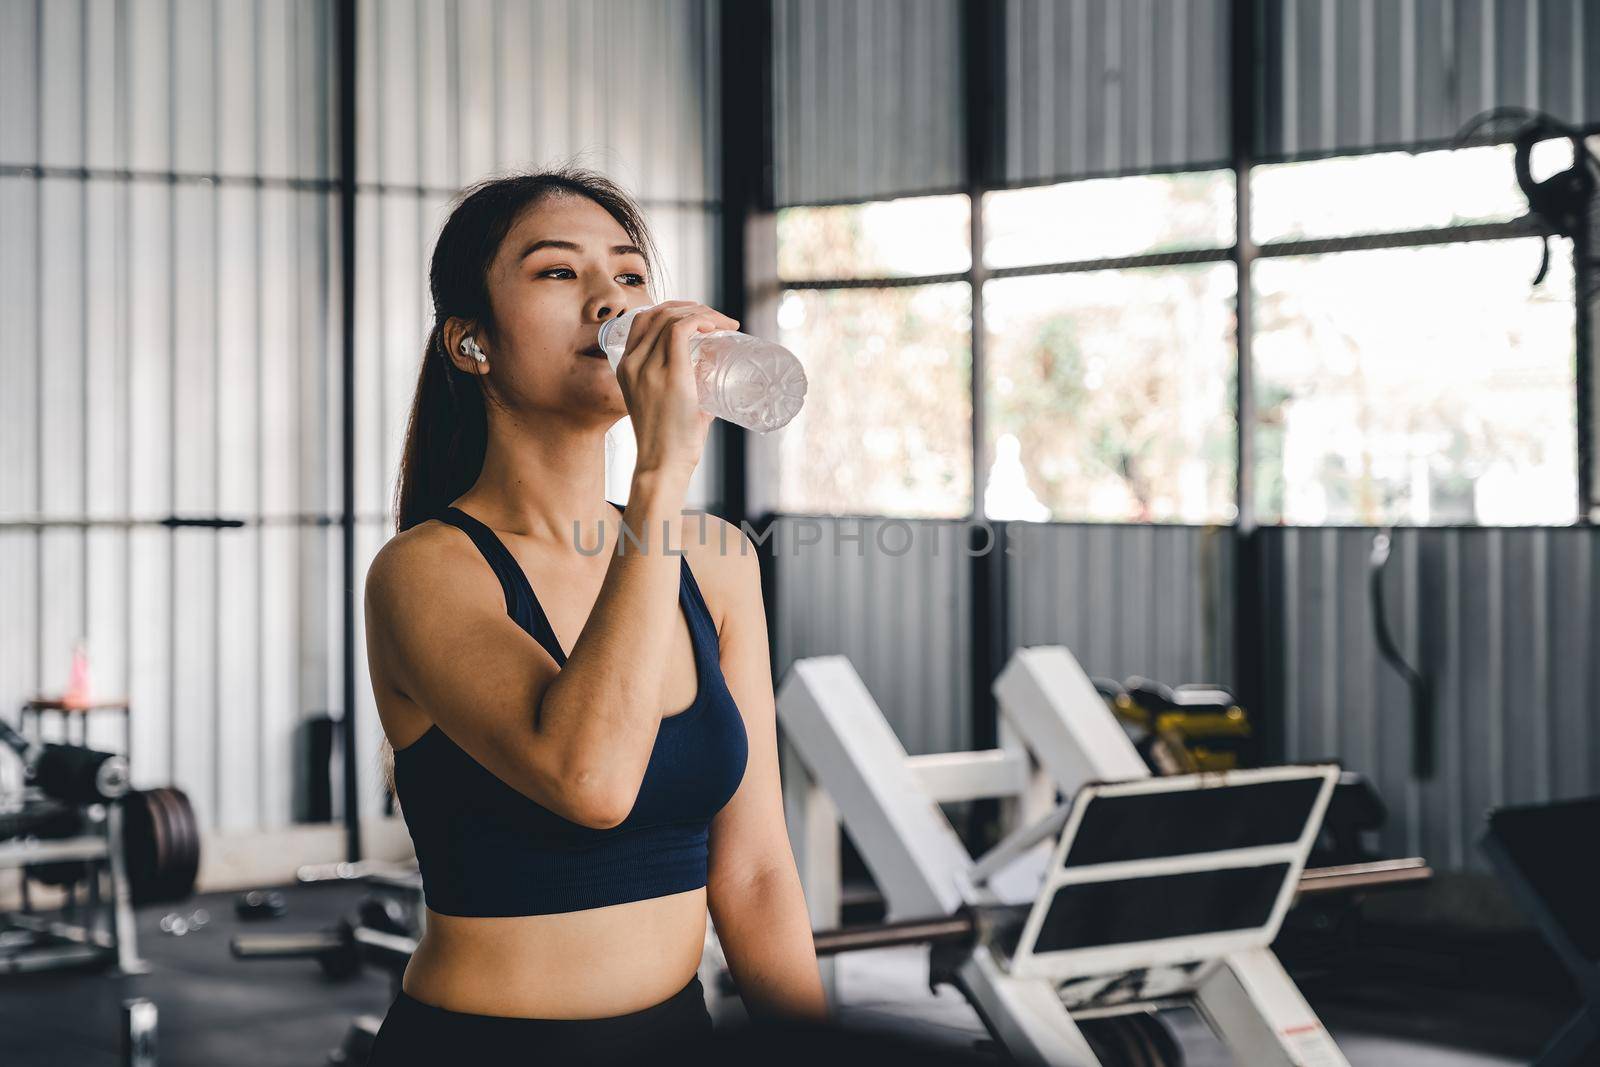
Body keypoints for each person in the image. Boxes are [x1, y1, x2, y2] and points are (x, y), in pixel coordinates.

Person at [361, 166, 827, 1065]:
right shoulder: (424, 574)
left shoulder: (719, 562)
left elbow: (757, 872)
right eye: (557, 273)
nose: (609, 301)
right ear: (470, 343)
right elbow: (592, 781)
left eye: (628, 273)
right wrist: (661, 475)